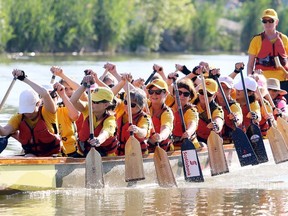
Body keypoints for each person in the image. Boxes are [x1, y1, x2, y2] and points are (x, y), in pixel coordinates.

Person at [0, 69, 61, 157]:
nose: (27, 114)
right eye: (25, 111)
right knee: (28, 157)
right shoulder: (19, 117)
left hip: (52, 156)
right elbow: (4, 132)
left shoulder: (48, 112)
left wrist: (24, 79)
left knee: (29, 157)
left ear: (38, 103)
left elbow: (45, 94)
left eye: (29, 110)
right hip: (31, 155)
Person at [70, 75, 118, 157]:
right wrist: (84, 85)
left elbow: (106, 132)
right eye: (91, 100)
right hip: (85, 154)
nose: (91, 103)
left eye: (95, 102)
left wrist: (98, 140)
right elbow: (73, 101)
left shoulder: (110, 119)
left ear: (106, 105)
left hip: (104, 156)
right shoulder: (88, 109)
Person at [247, 8, 288, 81]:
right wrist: (250, 78)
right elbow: (250, 64)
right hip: (262, 82)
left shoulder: (284, 39)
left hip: (283, 80)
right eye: (265, 21)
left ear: (276, 22)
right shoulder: (256, 40)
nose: (267, 23)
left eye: (271, 21)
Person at [168, 76, 202, 150]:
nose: (181, 96)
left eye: (186, 94)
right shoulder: (169, 104)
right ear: (174, 94)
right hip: (172, 147)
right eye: (179, 93)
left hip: (190, 146)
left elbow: (192, 123)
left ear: (190, 98)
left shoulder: (191, 110)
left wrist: (188, 132)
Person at [116, 88, 151, 156]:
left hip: (137, 154)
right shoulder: (121, 108)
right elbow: (110, 96)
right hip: (119, 153)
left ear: (140, 107)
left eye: (132, 105)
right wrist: (122, 82)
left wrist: (137, 130)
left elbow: (144, 132)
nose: (127, 106)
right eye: (126, 102)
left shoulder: (144, 118)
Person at [146, 78, 174, 152]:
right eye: (151, 92)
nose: (154, 95)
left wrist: (160, 136)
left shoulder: (167, 112)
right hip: (146, 148)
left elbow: (166, 128)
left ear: (166, 94)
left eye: (158, 92)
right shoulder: (145, 105)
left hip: (163, 149)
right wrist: (123, 81)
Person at [194, 78, 224, 144]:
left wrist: (216, 125)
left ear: (215, 95)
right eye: (202, 92)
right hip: (194, 140)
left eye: (208, 94)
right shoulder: (192, 102)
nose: (204, 96)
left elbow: (218, 120)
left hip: (211, 142)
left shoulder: (216, 109)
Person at [215, 76, 243, 143]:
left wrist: (236, 118)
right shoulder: (210, 102)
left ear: (232, 91)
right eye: (220, 87)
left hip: (231, 140)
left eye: (226, 88)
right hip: (214, 140)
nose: (221, 90)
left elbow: (239, 117)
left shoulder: (234, 105)